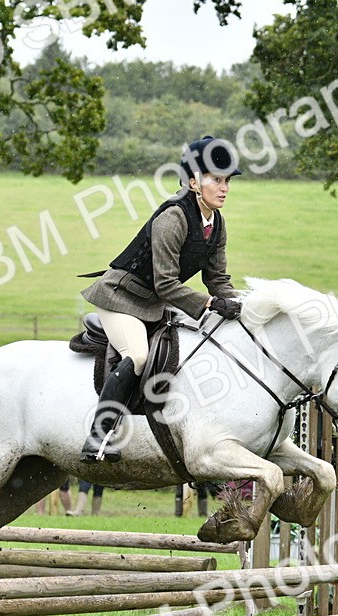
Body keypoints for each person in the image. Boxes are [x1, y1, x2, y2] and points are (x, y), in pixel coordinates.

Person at [77, 135, 244, 463]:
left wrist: (240, 305)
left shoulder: (216, 223)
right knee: (138, 355)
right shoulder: (174, 217)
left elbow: (217, 280)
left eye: (226, 181)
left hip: (153, 303)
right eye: (216, 180)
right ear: (194, 182)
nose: (224, 187)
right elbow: (167, 284)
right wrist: (209, 304)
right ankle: (99, 434)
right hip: (120, 297)